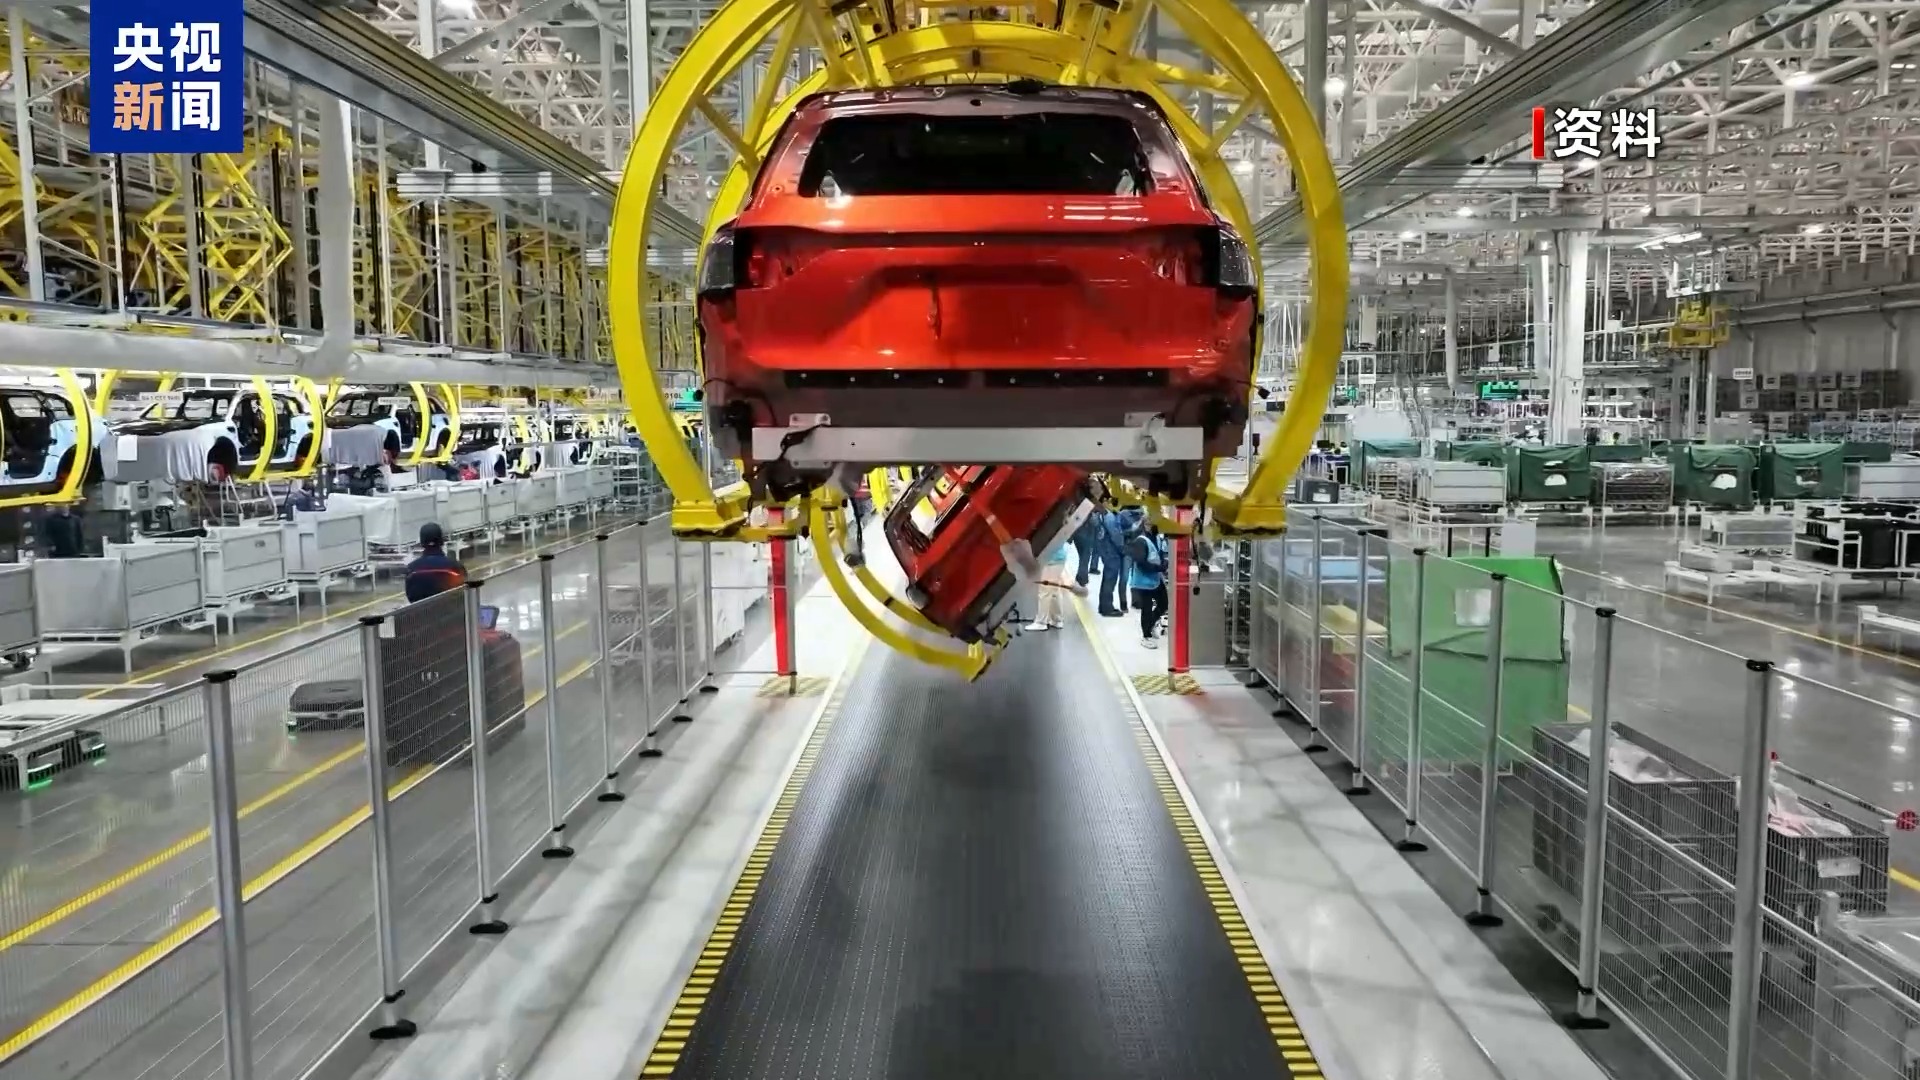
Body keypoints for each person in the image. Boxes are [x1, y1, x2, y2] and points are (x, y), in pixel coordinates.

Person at [1127, 520, 1171, 649]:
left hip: (1155, 579)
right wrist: (1160, 568)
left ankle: (1150, 625)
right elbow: (1141, 564)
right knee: (1146, 608)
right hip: (1143, 581)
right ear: (1145, 524)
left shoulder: (1156, 538)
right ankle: (1146, 636)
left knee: (1163, 603)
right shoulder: (1140, 541)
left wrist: (1164, 563)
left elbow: (1159, 554)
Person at [404, 522, 468, 602]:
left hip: (422, 610)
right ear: (441, 541)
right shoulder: (455, 567)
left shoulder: (411, 570)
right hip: (452, 609)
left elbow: (410, 596)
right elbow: (464, 593)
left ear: (422, 542)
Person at [1024, 538, 1072, 632]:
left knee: (1044, 591)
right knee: (1054, 591)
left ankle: (1041, 622)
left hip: (1051, 560)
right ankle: (1057, 620)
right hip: (1059, 558)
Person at [1096, 503, 1129, 617]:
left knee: (1107, 578)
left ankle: (1103, 606)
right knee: (1110, 579)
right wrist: (1122, 547)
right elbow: (1115, 535)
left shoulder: (1104, 514)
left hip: (1106, 549)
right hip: (1111, 551)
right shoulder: (1110, 516)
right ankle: (1107, 608)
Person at [1071, 508, 1102, 592]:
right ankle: (1081, 579)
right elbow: (1095, 523)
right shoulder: (1092, 513)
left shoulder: (1080, 509)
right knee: (1085, 558)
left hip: (1077, 536)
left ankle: (1083, 578)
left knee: (1083, 558)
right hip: (1087, 537)